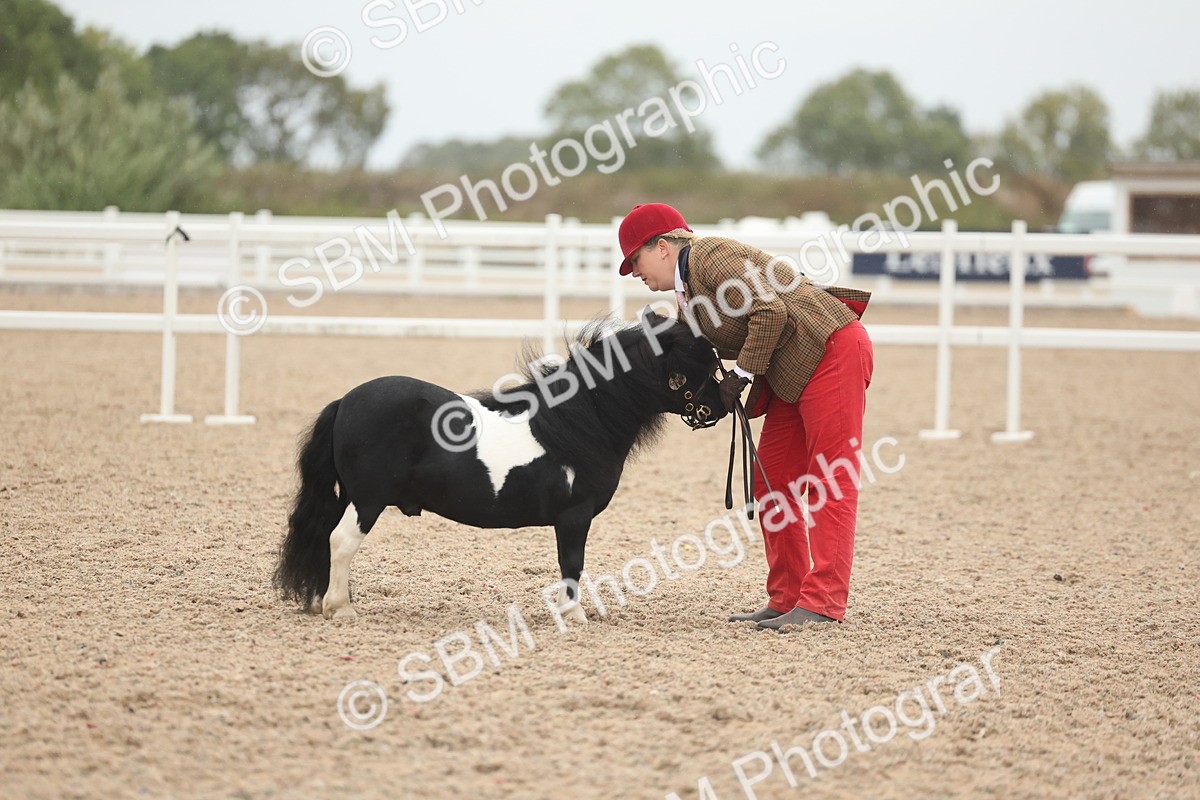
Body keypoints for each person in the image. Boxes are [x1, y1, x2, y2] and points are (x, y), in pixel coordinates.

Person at [617, 203, 873, 629]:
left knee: (830, 478)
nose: (635, 273)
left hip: (832, 351)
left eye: (635, 261)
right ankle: (789, 596)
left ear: (661, 247)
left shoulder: (709, 257)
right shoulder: (687, 291)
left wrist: (741, 374)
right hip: (796, 367)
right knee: (772, 476)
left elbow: (769, 311)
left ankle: (824, 602)